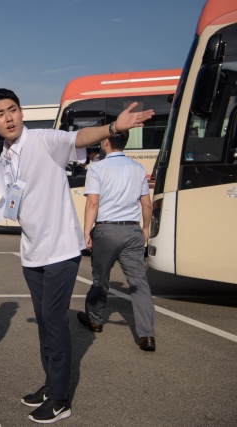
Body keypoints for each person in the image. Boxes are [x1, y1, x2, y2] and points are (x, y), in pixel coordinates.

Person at [0, 88, 154, 424]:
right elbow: (10, 204)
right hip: (31, 252)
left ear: (21, 112)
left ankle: (60, 400)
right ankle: (50, 385)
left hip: (60, 249)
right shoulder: (3, 160)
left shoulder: (44, 140)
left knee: (55, 323)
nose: (9, 117)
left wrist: (112, 129)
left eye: (13, 110)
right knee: (45, 323)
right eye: (0, 114)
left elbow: (79, 137)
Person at [78, 131, 156, 351]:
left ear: (105, 142)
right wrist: (146, 228)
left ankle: (95, 319)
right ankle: (147, 335)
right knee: (139, 283)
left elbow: (93, 203)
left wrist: (86, 232)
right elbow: (146, 204)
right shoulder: (138, 168)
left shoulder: (96, 168)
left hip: (106, 230)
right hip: (132, 229)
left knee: (100, 279)